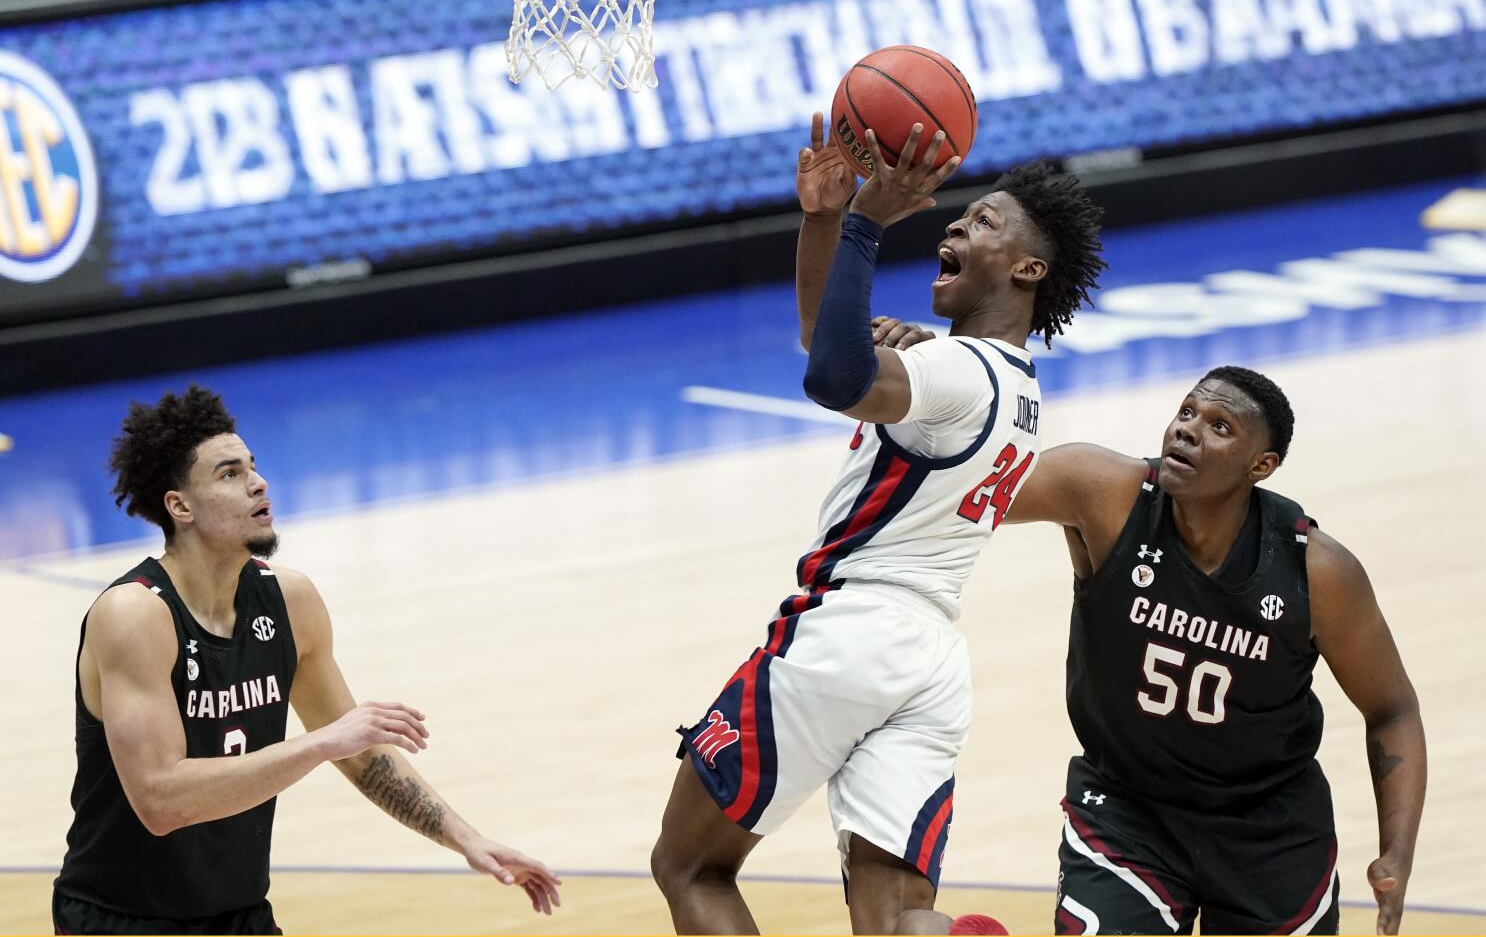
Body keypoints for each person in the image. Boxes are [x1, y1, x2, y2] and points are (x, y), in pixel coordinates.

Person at [649, 115, 1106, 934]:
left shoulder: (954, 370)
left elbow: (832, 375)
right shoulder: (1017, 388)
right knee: (897, 915)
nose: (960, 223)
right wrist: (823, 220)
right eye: (962, 216)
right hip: (931, 663)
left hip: (848, 636)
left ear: (1029, 268)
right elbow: (827, 342)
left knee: (689, 864)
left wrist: (862, 223)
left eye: (987, 221)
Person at [880, 362, 1426, 935]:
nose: (1187, 429)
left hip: (1271, 828)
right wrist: (927, 381)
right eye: (1187, 411)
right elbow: (957, 492)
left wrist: (1397, 850)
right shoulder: (1104, 492)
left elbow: (1392, 710)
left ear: (1260, 466)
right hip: (1125, 809)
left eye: (1220, 427)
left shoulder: (1316, 569)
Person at [53, 385, 561, 934]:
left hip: (239, 914)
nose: (258, 482)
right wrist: (319, 743)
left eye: (253, 466)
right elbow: (160, 801)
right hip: (121, 920)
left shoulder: (290, 600)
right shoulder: (134, 615)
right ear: (180, 506)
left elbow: (363, 757)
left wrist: (467, 838)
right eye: (229, 474)